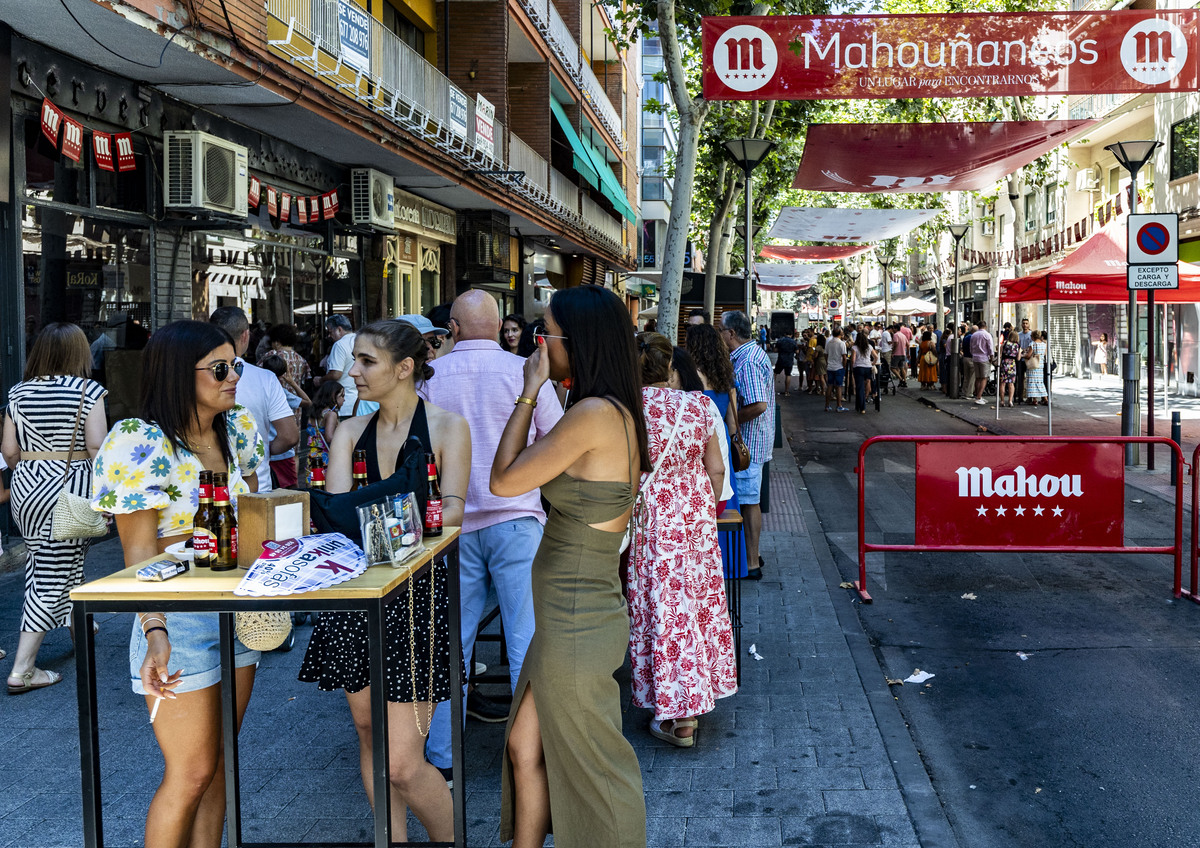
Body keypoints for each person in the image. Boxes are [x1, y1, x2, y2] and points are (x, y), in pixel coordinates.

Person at [89, 320, 265, 847]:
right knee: (189, 773)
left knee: (218, 766)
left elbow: (255, 515)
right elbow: (138, 552)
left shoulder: (236, 428)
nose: (234, 376)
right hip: (179, 614)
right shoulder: (139, 440)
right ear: (175, 374)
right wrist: (155, 629)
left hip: (239, 607)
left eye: (235, 364)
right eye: (219, 368)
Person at [298, 320, 470, 843]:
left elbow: (454, 518)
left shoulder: (447, 427)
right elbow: (336, 520)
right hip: (355, 598)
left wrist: (365, 516)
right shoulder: (349, 430)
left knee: (403, 761)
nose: (353, 372)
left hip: (415, 600)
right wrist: (404, 507)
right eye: (354, 360)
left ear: (404, 368)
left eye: (366, 362)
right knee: (369, 732)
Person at [490, 284, 648, 848]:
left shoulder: (593, 414)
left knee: (598, 767)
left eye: (545, 332)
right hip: (569, 612)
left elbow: (503, 479)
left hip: (576, 614)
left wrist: (529, 391)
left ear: (573, 341)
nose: (538, 341)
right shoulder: (609, 408)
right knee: (523, 746)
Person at [422, 291, 564, 784]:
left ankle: (442, 755)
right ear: (500, 326)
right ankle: (530, 752)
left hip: (452, 527)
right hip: (517, 519)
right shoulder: (523, 373)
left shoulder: (431, 378)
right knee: (526, 639)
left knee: (453, 642)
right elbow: (555, 438)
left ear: (454, 329)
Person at [626, 332, 736, 747]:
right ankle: (692, 703)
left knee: (661, 607)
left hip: (651, 516)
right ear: (670, 366)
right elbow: (717, 470)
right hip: (694, 519)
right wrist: (702, 513)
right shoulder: (700, 405)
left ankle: (673, 711)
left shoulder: (626, 409)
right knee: (696, 606)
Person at [2, 323, 108, 693]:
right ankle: (23, 669)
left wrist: (32, 473)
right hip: (70, 487)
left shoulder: (17, 392)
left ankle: (79, 628)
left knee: (47, 561)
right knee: (50, 575)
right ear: (79, 352)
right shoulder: (88, 391)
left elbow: (9, 451)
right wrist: (106, 490)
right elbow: (97, 447)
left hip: (26, 488)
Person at [210, 307, 298, 492]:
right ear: (245, 335)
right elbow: (289, 436)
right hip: (251, 491)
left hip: (212, 490)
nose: (233, 376)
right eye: (222, 370)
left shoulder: (195, 377)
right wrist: (262, 450)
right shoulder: (264, 378)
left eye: (234, 368)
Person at [686, 323, 748, 578]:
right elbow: (733, 420)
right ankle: (731, 566)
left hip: (698, 444)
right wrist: (735, 442)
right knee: (726, 501)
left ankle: (703, 566)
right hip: (722, 445)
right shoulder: (726, 376)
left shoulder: (689, 378)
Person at [721, 310, 775, 581]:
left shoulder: (748, 361)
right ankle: (750, 557)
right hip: (752, 442)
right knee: (748, 500)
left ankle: (751, 563)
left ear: (731, 334)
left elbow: (759, 404)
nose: (720, 336)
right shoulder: (747, 356)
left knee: (749, 501)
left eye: (721, 331)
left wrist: (730, 418)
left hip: (749, 443)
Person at [259, 354, 309, 489]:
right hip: (283, 453)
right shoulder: (282, 393)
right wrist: (292, 382)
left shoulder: (258, 391)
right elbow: (307, 402)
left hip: (264, 451)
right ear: (283, 374)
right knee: (291, 489)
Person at [321, 315, 379, 418]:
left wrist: (321, 380)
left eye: (330, 332)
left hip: (345, 404)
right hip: (360, 403)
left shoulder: (339, 345)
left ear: (339, 329)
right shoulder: (361, 340)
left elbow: (336, 374)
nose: (329, 336)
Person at [261, 323, 312, 390]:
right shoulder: (301, 359)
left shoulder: (272, 355)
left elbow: (259, 374)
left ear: (277, 342)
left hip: (277, 398)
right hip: (296, 398)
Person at [305, 381, 343, 469]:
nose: (344, 399)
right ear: (333, 397)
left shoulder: (313, 414)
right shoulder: (330, 414)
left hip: (312, 456)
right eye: (342, 396)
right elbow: (329, 437)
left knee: (313, 481)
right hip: (325, 458)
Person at [850, 330, 879, 414]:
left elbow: (853, 360)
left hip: (858, 368)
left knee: (859, 388)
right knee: (867, 383)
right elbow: (876, 357)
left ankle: (862, 407)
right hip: (868, 368)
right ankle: (867, 397)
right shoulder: (869, 346)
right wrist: (872, 363)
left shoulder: (854, 348)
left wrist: (852, 367)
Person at [970, 319, 995, 404]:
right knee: (984, 378)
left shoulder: (973, 335)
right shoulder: (987, 335)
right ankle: (979, 396)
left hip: (975, 358)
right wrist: (991, 357)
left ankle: (977, 394)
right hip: (984, 358)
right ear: (986, 326)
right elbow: (990, 347)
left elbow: (971, 347)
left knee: (977, 378)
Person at [824, 326, 848, 413]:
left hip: (830, 367)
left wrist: (828, 362)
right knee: (839, 387)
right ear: (840, 334)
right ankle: (839, 406)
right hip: (839, 367)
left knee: (829, 386)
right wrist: (844, 366)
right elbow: (844, 357)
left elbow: (825, 354)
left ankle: (827, 405)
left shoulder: (828, 342)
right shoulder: (842, 343)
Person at [1025, 330, 1049, 405]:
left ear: (1033, 336)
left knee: (1032, 382)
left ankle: (1034, 399)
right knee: (1040, 382)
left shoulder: (1033, 344)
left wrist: (1024, 355)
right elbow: (1044, 353)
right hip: (1040, 365)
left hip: (1033, 365)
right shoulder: (1044, 344)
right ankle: (1045, 398)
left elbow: (1029, 355)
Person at [999, 330, 1021, 407]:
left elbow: (1000, 355)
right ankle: (1010, 401)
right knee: (1011, 383)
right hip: (1012, 364)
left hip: (1004, 364)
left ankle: (1002, 401)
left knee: (1002, 383)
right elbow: (1018, 358)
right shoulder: (1017, 346)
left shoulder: (1004, 343)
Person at [774, 330, 798, 396]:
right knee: (788, 375)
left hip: (781, 360)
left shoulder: (780, 340)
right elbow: (797, 351)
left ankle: (771, 389)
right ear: (791, 335)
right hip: (789, 360)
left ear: (785, 334)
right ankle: (786, 391)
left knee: (775, 373)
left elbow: (775, 350)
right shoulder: (793, 342)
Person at [1016, 318, 1032, 403]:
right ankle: (1020, 396)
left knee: (1029, 378)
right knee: (1020, 378)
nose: (1025, 325)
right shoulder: (1019, 334)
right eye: (1023, 323)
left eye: (1026, 323)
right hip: (1020, 360)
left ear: (1029, 324)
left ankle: (1029, 397)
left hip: (1028, 359)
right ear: (1021, 325)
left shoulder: (1031, 334)